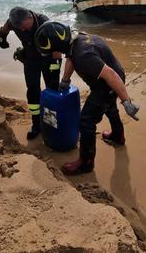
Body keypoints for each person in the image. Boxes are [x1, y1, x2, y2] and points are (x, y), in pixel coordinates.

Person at [34, 21, 140, 175]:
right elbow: (70, 58)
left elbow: (110, 75)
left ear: (58, 44)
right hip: (113, 75)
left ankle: (86, 163)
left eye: (52, 51)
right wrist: (65, 80)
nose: (53, 54)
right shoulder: (77, 39)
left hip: (108, 84)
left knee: (86, 121)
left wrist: (126, 101)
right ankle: (118, 136)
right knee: (109, 107)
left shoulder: (83, 55)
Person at [0, 7, 61, 140]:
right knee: (32, 91)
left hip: (48, 59)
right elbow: (5, 28)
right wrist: (2, 38)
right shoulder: (14, 22)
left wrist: (55, 67)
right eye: (18, 28)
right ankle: (36, 124)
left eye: (24, 27)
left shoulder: (46, 24)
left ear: (30, 18)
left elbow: (57, 48)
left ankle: (51, 122)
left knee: (52, 91)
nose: (22, 30)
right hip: (30, 59)